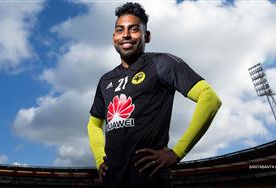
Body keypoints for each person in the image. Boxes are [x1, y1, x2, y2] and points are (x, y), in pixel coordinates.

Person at [87, 2, 221, 188]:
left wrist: (178, 152)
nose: (125, 34)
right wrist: (99, 159)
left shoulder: (161, 63)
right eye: (120, 30)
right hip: (111, 182)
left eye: (134, 29)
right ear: (114, 37)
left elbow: (210, 98)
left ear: (146, 36)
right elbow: (94, 123)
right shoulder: (105, 80)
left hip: (151, 180)